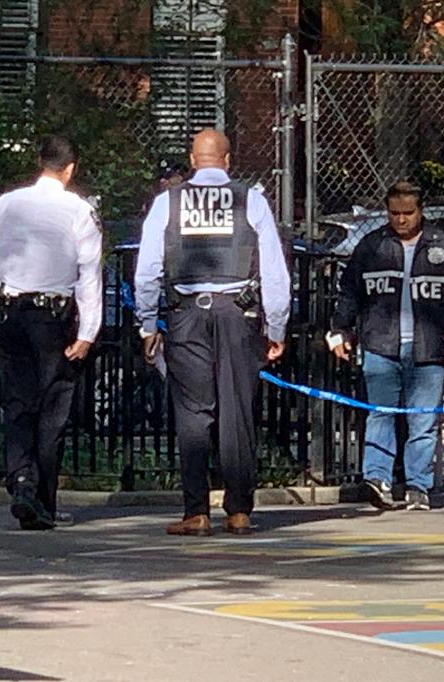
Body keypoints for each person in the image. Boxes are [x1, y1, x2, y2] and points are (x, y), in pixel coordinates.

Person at [133, 129, 290, 536]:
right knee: (237, 412)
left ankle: (196, 511)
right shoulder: (250, 199)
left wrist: (148, 323)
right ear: (227, 160)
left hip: (187, 313)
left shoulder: (168, 203)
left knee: (192, 414)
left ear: (192, 159)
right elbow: (273, 269)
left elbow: (148, 268)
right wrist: (277, 325)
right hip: (237, 314)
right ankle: (239, 511)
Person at [0, 135, 103, 530]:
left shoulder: (6, 204)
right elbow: (89, 274)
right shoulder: (79, 210)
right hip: (52, 317)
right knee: (53, 409)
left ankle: (22, 482)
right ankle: (42, 498)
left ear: (39, 162)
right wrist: (89, 332)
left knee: (17, 404)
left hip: (10, 313)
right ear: (71, 168)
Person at [327, 181, 444, 511]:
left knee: (422, 421)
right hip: (381, 344)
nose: (401, 220)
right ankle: (377, 479)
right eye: (394, 213)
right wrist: (340, 329)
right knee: (380, 415)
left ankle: (417, 486)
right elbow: (350, 292)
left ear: (420, 211)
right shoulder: (371, 246)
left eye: (408, 213)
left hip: (428, 347)